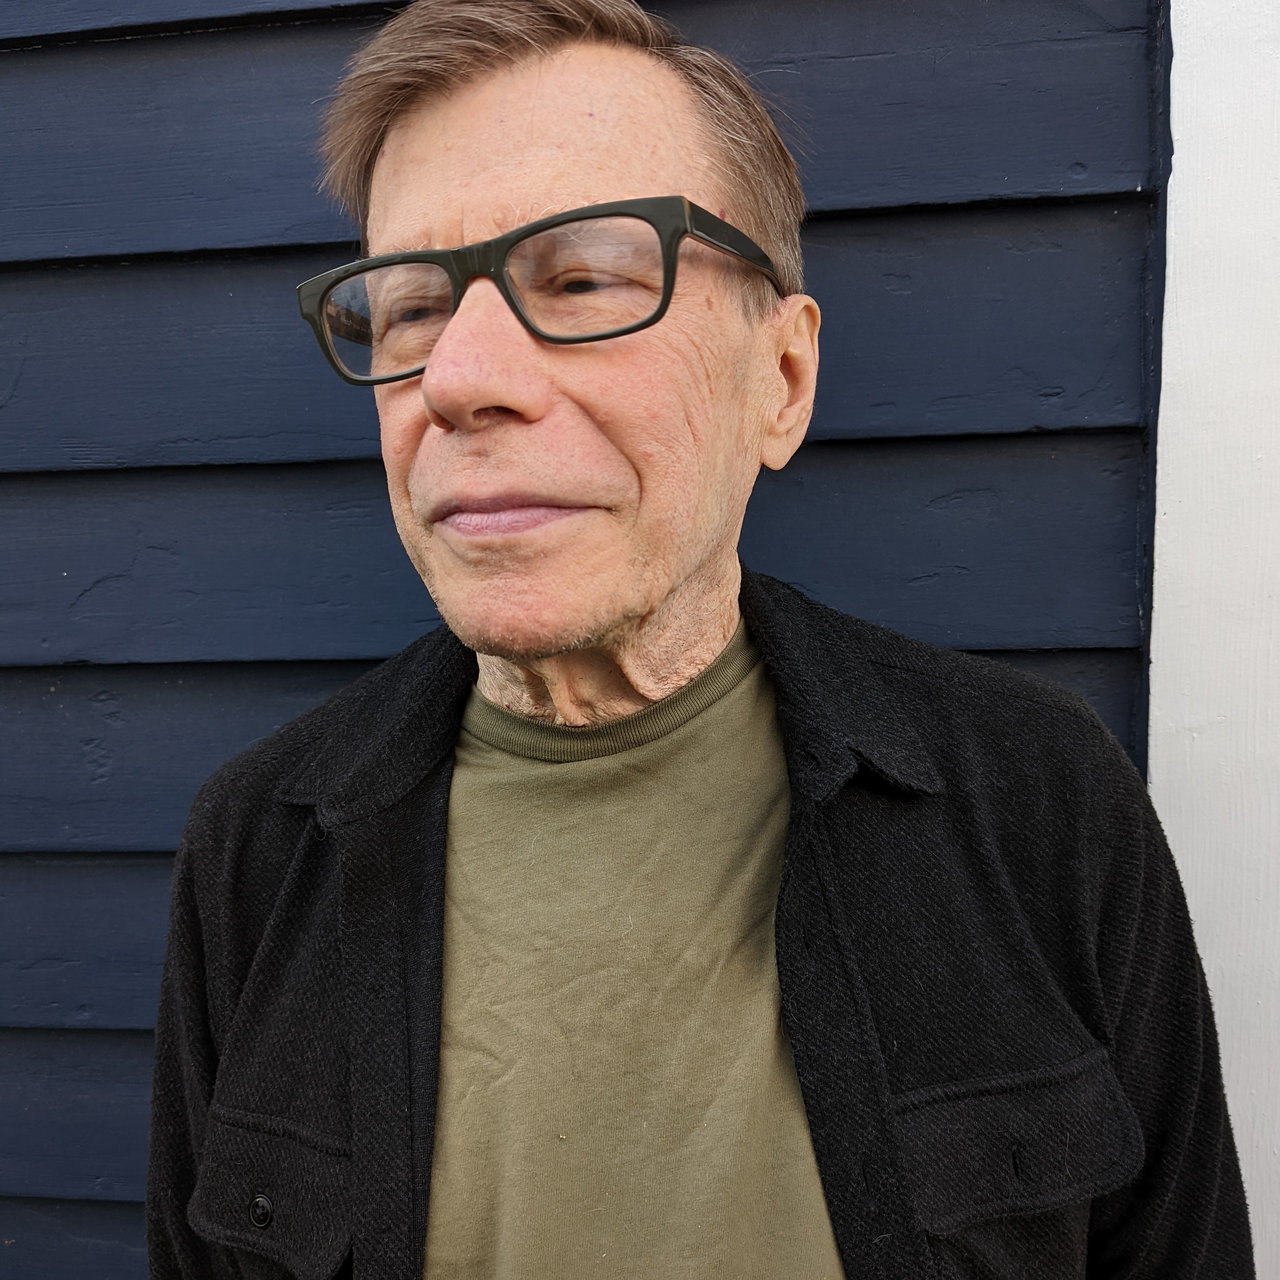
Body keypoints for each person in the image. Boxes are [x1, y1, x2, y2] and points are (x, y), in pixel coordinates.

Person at [146, 1, 1254, 1276]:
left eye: (581, 279)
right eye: (408, 308)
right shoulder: (259, 848)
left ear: (778, 381)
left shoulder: (1034, 797)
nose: (456, 378)